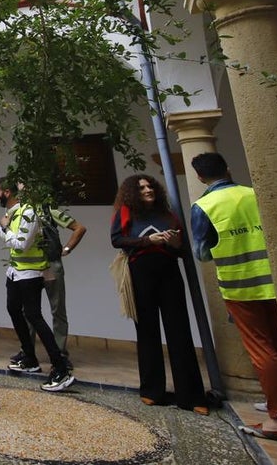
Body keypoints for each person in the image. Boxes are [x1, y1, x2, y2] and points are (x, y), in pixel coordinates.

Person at [190, 153, 277, 444]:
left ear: (200, 178)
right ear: (228, 169)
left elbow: (202, 252)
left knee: (263, 351)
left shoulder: (204, 206)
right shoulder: (255, 193)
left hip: (241, 286)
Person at [110, 174, 207, 414]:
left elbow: (183, 248)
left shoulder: (168, 215)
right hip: (140, 273)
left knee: (180, 331)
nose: (147, 190)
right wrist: (147, 240)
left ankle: (191, 396)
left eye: (150, 186)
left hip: (169, 272)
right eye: (141, 187)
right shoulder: (126, 212)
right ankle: (152, 390)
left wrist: (173, 243)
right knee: (147, 330)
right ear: (133, 192)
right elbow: (117, 240)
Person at [0, 175, 75, 392]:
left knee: (34, 316)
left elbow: (20, 244)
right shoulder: (13, 213)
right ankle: (30, 358)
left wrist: (0, 226)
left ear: (7, 192)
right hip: (15, 272)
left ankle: (60, 368)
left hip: (30, 273)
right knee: (13, 309)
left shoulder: (28, 213)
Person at [31, 202, 86, 369]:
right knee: (29, 311)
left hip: (50, 265)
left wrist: (67, 248)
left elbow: (79, 228)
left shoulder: (49, 211)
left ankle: (60, 353)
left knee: (57, 309)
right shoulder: (19, 212)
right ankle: (27, 351)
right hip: (30, 267)